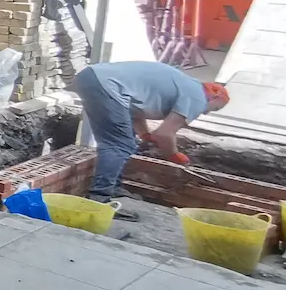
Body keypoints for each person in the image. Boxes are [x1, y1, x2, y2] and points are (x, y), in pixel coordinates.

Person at [73, 61, 230, 198]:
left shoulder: (187, 85)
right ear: (214, 98)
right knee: (120, 145)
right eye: (212, 109)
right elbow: (165, 133)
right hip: (106, 85)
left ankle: (113, 187)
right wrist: (174, 155)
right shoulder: (198, 97)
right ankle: (100, 196)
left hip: (91, 78)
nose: (205, 112)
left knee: (121, 141)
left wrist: (145, 134)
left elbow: (133, 109)